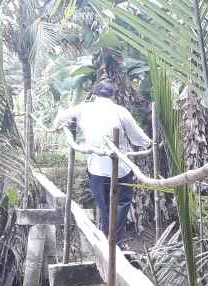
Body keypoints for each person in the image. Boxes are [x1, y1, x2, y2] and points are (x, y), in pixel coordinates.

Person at [52, 80, 151, 246]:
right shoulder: (120, 111)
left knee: (104, 205)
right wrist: (150, 143)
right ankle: (116, 242)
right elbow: (138, 137)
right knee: (122, 202)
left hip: (96, 169)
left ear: (94, 94)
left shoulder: (83, 108)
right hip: (121, 168)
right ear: (112, 95)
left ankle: (108, 240)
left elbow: (61, 117)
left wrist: (57, 125)